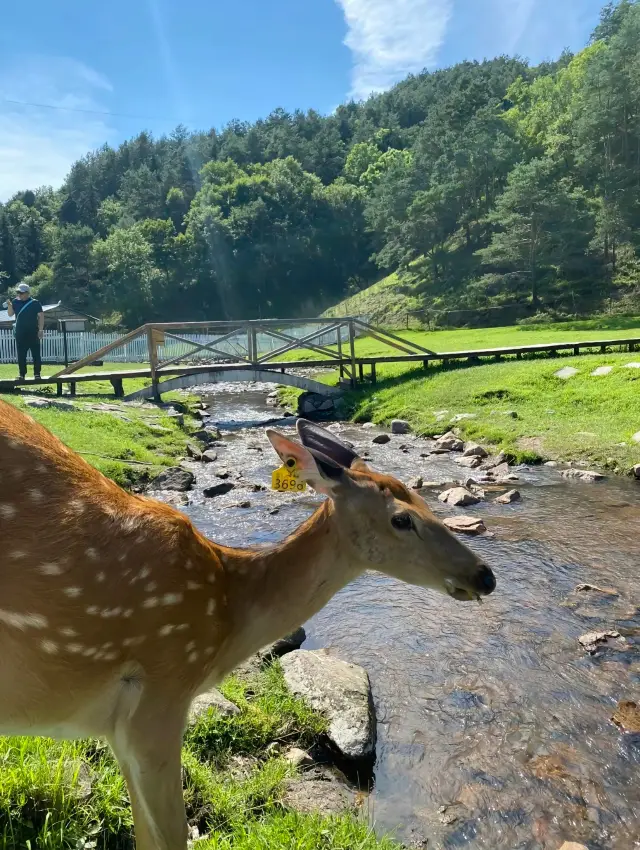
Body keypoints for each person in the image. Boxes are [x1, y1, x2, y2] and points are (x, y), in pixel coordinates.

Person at [7, 283, 44, 380]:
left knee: (36, 354)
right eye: (18, 292)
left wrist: (40, 330)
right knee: (21, 355)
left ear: (27, 293)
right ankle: (22, 374)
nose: (19, 294)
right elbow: (10, 314)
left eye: (21, 292)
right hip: (20, 333)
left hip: (33, 332)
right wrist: (9, 305)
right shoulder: (15, 302)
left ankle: (37, 374)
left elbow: (41, 316)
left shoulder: (35, 303)